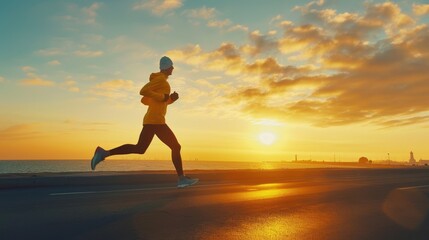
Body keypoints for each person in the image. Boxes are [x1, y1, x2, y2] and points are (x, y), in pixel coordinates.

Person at [90, 56, 199, 188]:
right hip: (156, 121)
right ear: (167, 67)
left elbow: (150, 101)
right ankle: (181, 179)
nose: (173, 68)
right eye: (171, 66)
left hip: (152, 120)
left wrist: (170, 99)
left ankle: (104, 153)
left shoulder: (160, 81)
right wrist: (163, 97)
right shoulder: (160, 80)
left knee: (140, 148)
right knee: (176, 147)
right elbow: (143, 92)